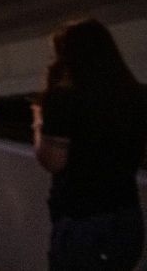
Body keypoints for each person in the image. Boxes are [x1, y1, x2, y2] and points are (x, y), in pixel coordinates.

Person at [32, 18, 146, 270]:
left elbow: (52, 161)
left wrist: (38, 122)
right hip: (127, 215)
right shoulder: (137, 95)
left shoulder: (63, 98)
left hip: (83, 222)